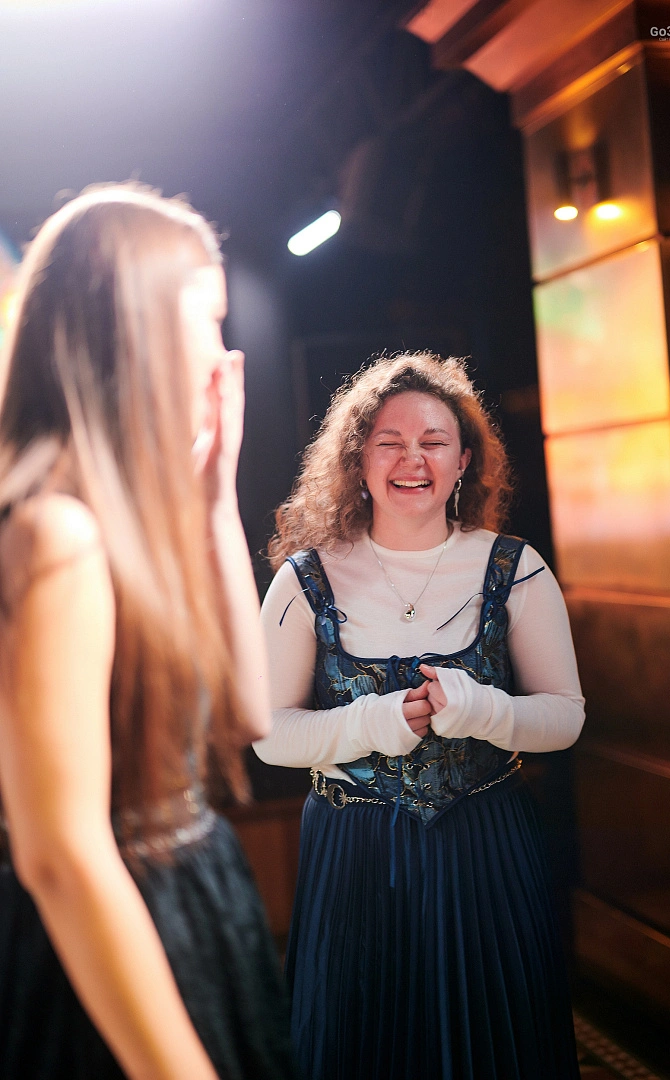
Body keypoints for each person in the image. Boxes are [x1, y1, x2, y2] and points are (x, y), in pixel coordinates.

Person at [0, 186, 299, 1080]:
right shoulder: (54, 533)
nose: (224, 356)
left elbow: (250, 715)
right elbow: (61, 855)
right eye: (207, 321)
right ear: (136, 329)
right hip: (107, 945)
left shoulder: (123, 524)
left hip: (192, 909)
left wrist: (215, 503)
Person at [255, 352, 585, 1080]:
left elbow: (565, 718)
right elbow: (267, 734)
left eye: (434, 441)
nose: (413, 459)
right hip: (354, 855)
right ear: (358, 460)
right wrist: (366, 725)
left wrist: (484, 711)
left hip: (487, 844)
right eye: (390, 442)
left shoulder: (515, 567)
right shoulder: (305, 579)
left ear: (463, 460)